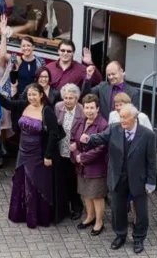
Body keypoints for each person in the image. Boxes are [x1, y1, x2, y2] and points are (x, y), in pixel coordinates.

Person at [80, 104, 157, 254]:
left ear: (134, 118)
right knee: (118, 209)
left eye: (125, 117)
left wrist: (151, 181)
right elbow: (100, 138)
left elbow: (152, 160)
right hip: (117, 177)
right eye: (120, 116)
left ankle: (139, 238)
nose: (122, 120)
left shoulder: (148, 135)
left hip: (138, 180)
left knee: (141, 212)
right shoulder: (114, 128)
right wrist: (89, 139)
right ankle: (120, 235)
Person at [0, 81, 61, 227]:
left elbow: (54, 134)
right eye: (29, 94)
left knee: (36, 183)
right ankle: (21, 213)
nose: (32, 97)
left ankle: (38, 216)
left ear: (41, 95)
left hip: (38, 152)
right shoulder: (24, 105)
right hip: (23, 151)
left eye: (35, 94)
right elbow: (7, 104)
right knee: (22, 181)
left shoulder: (46, 111)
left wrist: (48, 155)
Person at [69, 94, 108, 236]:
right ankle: (89, 216)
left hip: (96, 167)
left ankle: (99, 222)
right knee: (86, 193)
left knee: (97, 195)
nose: (89, 111)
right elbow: (73, 140)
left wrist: (82, 157)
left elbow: (101, 148)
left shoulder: (103, 124)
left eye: (92, 108)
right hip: (81, 166)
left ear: (98, 108)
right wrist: (76, 155)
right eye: (86, 107)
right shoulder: (81, 121)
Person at [55, 83, 85, 221]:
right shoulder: (58, 107)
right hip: (60, 149)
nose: (67, 101)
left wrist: (77, 144)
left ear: (77, 99)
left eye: (71, 98)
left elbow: (85, 132)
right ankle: (64, 208)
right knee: (61, 180)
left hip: (73, 151)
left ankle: (77, 207)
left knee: (73, 182)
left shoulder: (82, 111)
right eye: (65, 97)